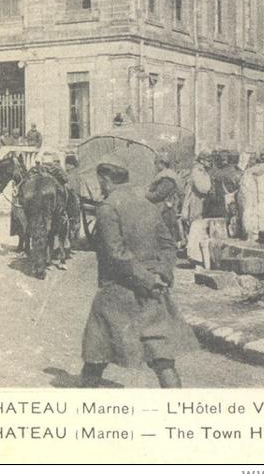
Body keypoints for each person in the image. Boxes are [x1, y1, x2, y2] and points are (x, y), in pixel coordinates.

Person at [80, 156, 198, 389]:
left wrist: (146, 279)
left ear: (105, 180)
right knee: (162, 359)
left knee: (97, 353)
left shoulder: (108, 207)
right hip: (152, 293)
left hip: (118, 291)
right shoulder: (146, 204)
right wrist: (160, 276)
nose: (100, 186)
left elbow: (116, 254)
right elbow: (168, 244)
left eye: (100, 181)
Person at [145, 152, 183, 248]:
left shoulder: (167, 178)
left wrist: (145, 194)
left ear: (162, 164)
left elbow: (158, 195)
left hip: (165, 209)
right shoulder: (166, 176)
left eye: (156, 163)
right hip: (166, 208)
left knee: (166, 233)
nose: (155, 166)